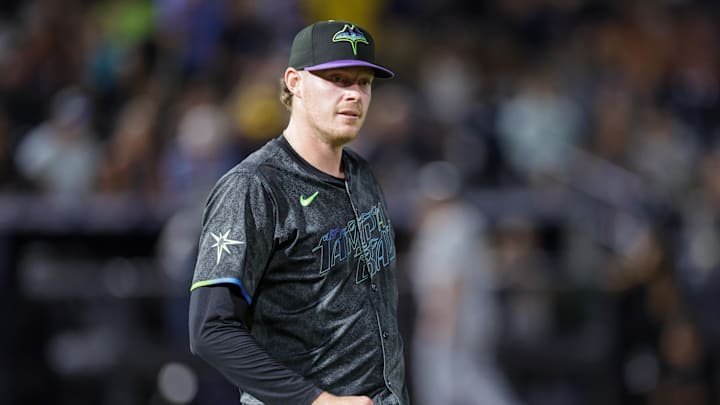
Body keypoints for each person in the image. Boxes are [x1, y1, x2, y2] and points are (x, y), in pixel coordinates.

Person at [188, 20, 409, 405]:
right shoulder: (254, 186)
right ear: (295, 82)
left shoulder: (363, 174)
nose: (354, 94)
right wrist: (316, 400)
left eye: (364, 82)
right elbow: (210, 328)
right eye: (338, 79)